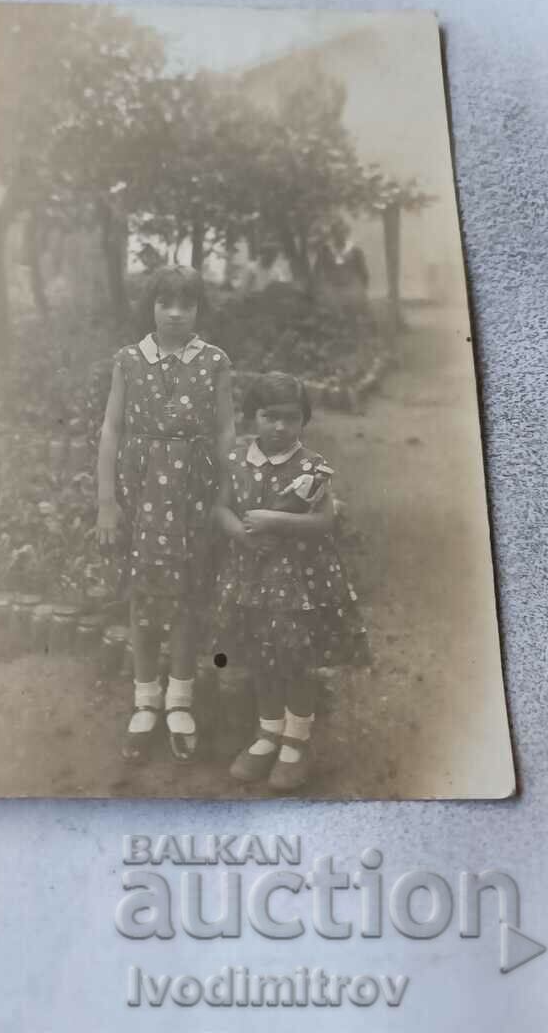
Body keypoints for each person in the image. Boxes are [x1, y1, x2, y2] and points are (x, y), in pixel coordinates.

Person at [97, 265, 236, 765]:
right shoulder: (130, 360)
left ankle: (180, 700)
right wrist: (107, 502)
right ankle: (145, 699)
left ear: (199, 309)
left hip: (192, 496)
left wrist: (223, 496)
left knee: (187, 593)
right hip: (139, 495)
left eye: (186, 303)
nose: (175, 312)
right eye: (165, 302)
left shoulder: (215, 361)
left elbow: (225, 432)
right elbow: (111, 429)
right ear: (150, 306)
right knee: (143, 595)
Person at [213, 371, 366, 793]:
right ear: (251, 417)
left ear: (303, 420)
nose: (280, 426)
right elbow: (219, 507)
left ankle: (295, 742)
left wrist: (274, 519)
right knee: (262, 656)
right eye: (269, 416)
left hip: (298, 579)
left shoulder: (311, 468)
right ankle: (266, 734)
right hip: (250, 576)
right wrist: (241, 533)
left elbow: (324, 521)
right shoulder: (237, 458)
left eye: (290, 418)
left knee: (295, 659)